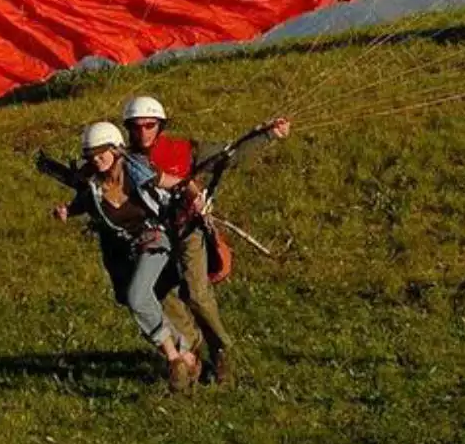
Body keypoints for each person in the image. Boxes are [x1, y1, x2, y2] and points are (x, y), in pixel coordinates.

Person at [120, 95, 291, 384]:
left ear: (159, 126)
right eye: (136, 127)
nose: (143, 132)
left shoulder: (184, 150)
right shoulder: (124, 161)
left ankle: (222, 350)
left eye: (149, 126)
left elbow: (229, 155)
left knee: (197, 293)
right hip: (152, 237)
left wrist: (268, 135)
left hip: (189, 230)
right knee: (157, 294)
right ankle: (190, 349)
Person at [52, 121, 202, 392]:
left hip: (155, 239)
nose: (98, 161)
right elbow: (83, 203)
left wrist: (197, 199)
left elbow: (177, 183)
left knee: (137, 296)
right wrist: (66, 211)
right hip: (125, 250)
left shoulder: (138, 172)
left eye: (102, 154)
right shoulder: (94, 186)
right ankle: (184, 356)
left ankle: (173, 357)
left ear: (116, 150)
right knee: (134, 300)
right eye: (92, 157)